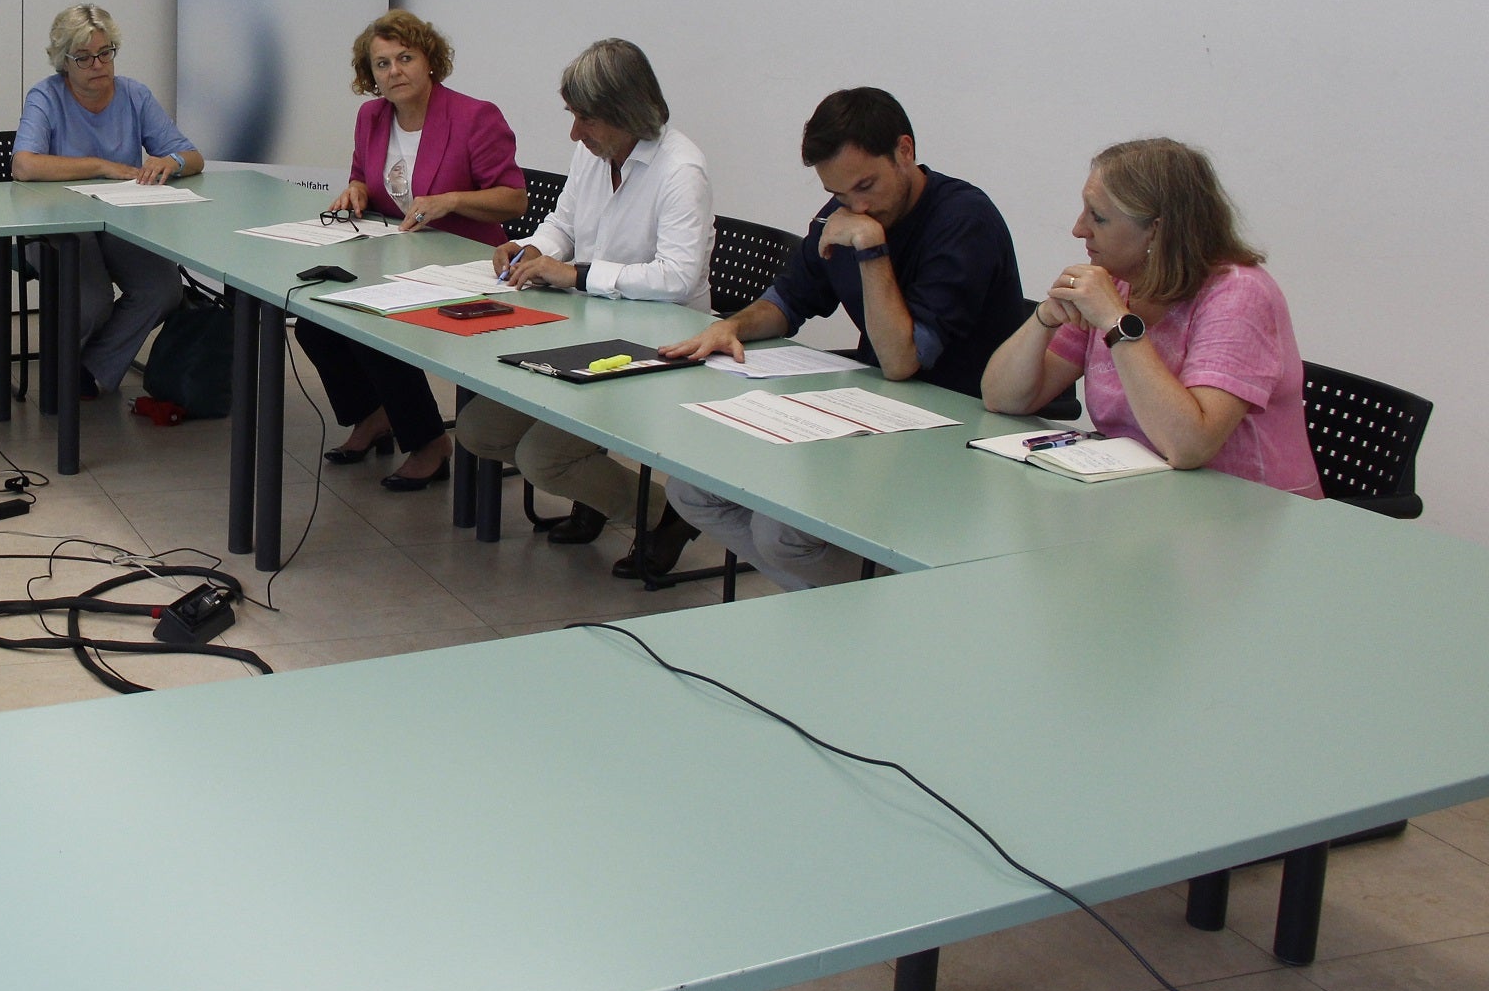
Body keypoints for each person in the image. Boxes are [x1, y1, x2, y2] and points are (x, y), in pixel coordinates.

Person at [661, 87, 1028, 589]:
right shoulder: (847, 213)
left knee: (782, 533)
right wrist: (732, 325)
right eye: (840, 195)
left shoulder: (963, 221)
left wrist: (871, 249)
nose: (856, 205)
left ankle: (876, 610)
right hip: (877, 411)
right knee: (690, 489)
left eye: (866, 185)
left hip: (958, 426)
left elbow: (903, 359)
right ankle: (853, 603)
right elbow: (788, 301)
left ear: (905, 151)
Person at [456, 39, 714, 551]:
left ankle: (664, 516)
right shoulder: (592, 151)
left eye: (586, 119)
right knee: (478, 429)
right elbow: (564, 225)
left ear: (626, 113)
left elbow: (678, 278)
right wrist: (531, 250)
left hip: (658, 350)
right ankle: (600, 495)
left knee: (541, 458)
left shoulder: (680, 171)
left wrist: (576, 275)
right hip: (587, 332)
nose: (574, 132)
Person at [981, 139, 1318, 494]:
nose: (1079, 229)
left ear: (1156, 230)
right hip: (1143, 499)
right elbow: (1003, 398)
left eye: (1098, 216)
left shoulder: (1239, 295)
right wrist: (1045, 318)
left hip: (1246, 516)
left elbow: (1189, 446)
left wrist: (1116, 322)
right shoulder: (1117, 281)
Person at [297, 11, 523, 492]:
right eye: (381, 64)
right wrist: (355, 190)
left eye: (405, 58)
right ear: (369, 75)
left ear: (430, 62)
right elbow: (363, 176)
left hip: (466, 264)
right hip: (394, 259)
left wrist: (454, 199)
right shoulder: (372, 116)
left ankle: (428, 443)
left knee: (377, 324)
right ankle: (375, 413)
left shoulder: (474, 117)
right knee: (316, 324)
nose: (394, 71)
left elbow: (513, 198)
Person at [9, 5, 204, 401]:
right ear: (64, 62)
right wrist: (101, 166)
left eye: (105, 53)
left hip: (120, 222)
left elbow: (193, 156)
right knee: (92, 300)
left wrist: (171, 160)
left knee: (162, 290)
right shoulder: (46, 95)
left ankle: (89, 365)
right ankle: (65, 366)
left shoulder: (134, 94)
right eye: (84, 57)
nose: (98, 65)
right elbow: (23, 165)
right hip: (56, 225)